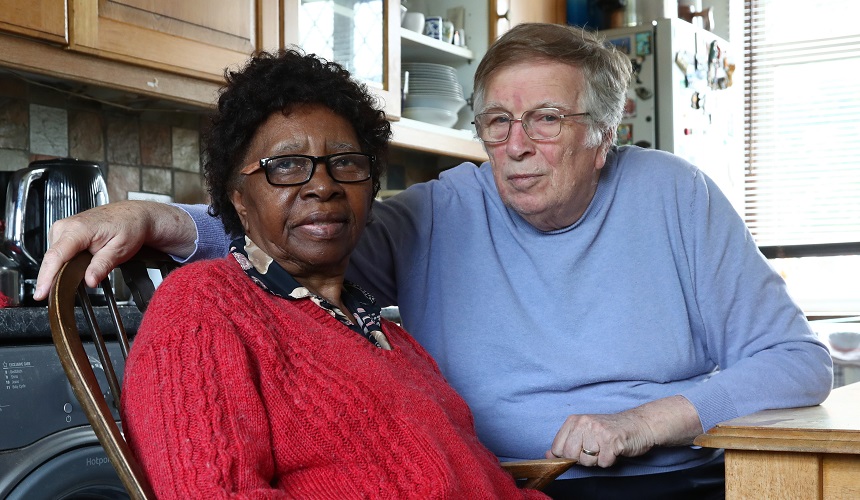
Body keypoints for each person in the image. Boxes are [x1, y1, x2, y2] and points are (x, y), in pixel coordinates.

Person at [37, 24, 832, 499]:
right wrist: (155, 216)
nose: (515, 146)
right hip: (536, 474)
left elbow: (798, 362)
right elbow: (292, 233)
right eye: (495, 121)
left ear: (607, 132)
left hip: (686, 478)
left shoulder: (674, 196)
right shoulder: (438, 214)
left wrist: (647, 422)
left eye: (547, 118)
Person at [117, 48, 546, 499]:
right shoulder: (201, 306)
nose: (323, 185)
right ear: (239, 198)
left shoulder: (386, 335)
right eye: (285, 165)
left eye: (346, 162)